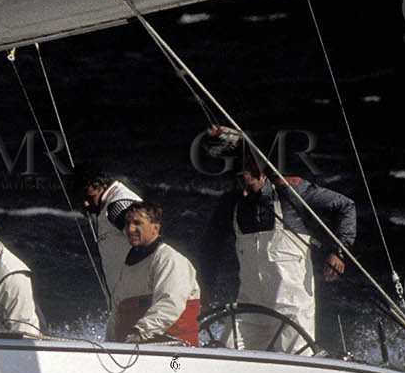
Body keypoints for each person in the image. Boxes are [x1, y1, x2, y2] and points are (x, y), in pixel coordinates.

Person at [201, 127, 356, 352]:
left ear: (263, 174)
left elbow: (345, 206)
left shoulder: (292, 191)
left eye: (248, 184)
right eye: (238, 185)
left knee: (295, 361)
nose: (244, 193)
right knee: (224, 353)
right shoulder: (231, 202)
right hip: (249, 306)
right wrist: (207, 285)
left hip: (291, 307)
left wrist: (338, 250)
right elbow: (209, 246)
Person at [108, 201, 202, 344]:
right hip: (132, 352)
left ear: (155, 228)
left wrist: (139, 333)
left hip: (174, 352)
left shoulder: (170, 259)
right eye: (127, 223)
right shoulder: (128, 265)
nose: (130, 229)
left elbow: (170, 304)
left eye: (137, 223)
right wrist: (107, 347)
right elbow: (117, 315)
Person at [70, 162, 143, 307]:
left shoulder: (117, 207)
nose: (85, 204)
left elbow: (148, 242)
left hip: (141, 300)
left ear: (99, 185)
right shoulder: (108, 207)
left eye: (88, 196)